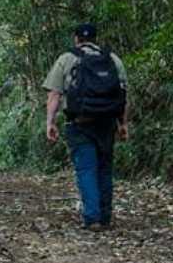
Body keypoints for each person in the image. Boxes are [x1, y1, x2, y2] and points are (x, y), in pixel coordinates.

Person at [43, 23, 129, 231]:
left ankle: (92, 218)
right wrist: (123, 123)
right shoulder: (112, 59)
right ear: (95, 38)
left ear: (76, 39)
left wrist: (50, 122)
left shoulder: (66, 59)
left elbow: (54, 94)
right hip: (107, 123)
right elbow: (124, 95)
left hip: (79, 123)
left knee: (86, 170)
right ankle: (105, 216)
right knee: (104, 169)